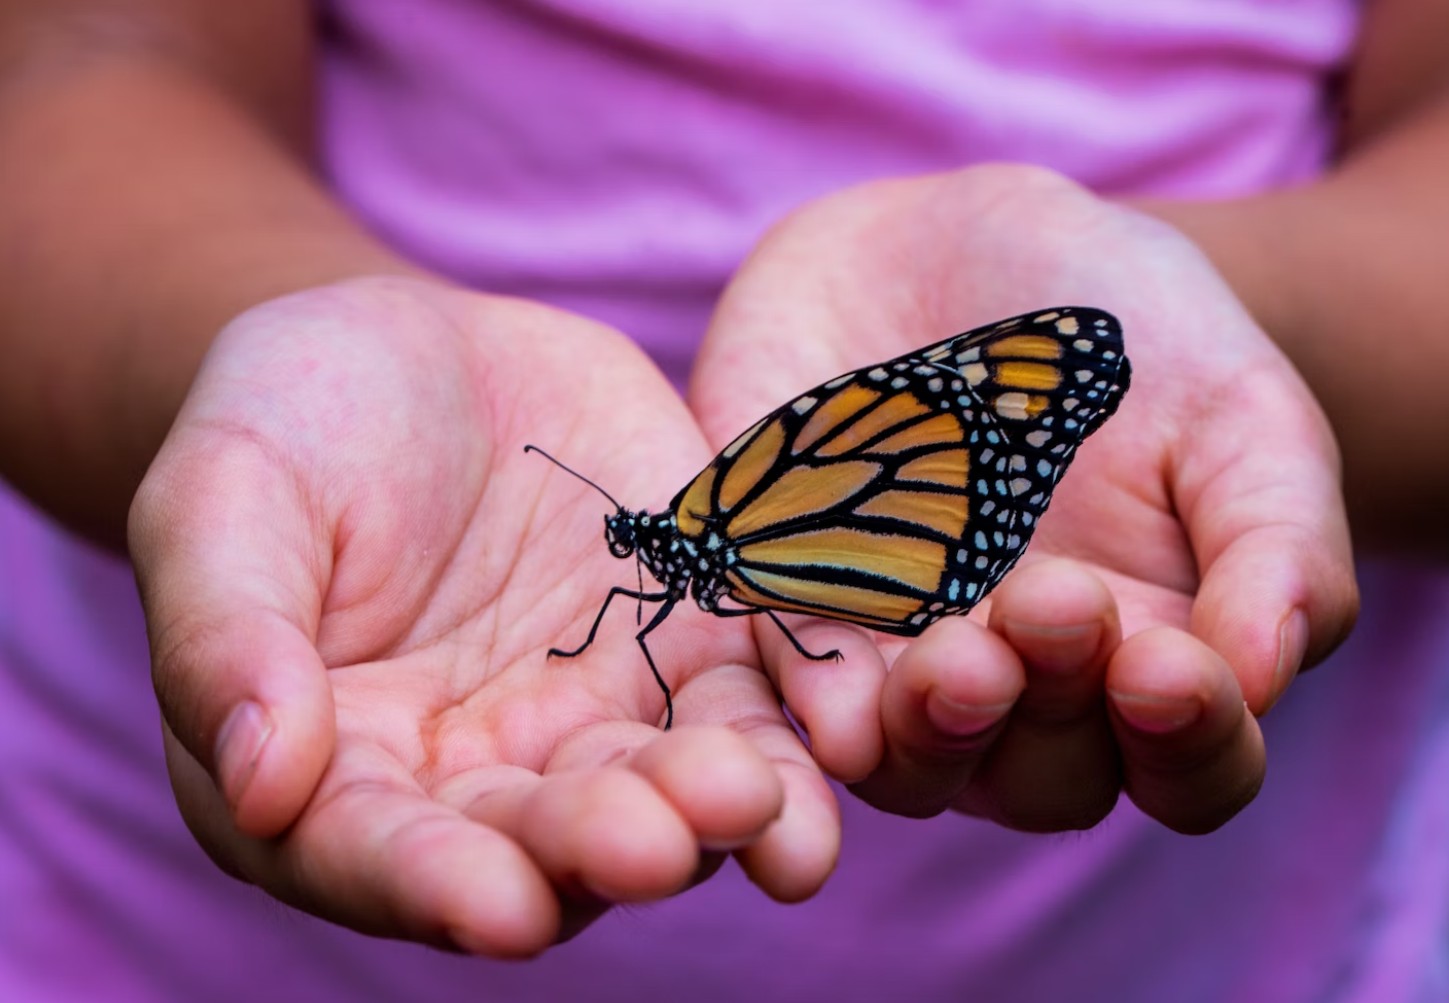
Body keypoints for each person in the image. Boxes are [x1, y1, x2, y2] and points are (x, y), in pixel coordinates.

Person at [0, 0, 1443, 999]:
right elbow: (80, 72)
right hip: (149, 945)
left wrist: (1245, 340)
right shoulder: (704, 539)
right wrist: (273, 357)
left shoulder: (727, 520)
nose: (637, 549)